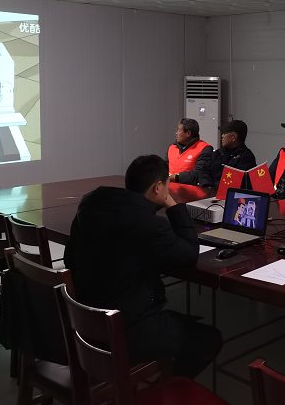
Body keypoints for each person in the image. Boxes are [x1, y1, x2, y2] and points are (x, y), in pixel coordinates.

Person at [64, 155, 222, 379]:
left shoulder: (90, 208)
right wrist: (174, 206)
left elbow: (69, 258)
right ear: (158, 187)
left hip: (86, 320)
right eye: (167, 185)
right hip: (127, 329)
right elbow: (188, 255)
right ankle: (168, 393)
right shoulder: (151, 226)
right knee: (207, 339)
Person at [196, 119, 256, 189]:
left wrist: (215, 189)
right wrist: (207, 185)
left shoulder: (246, 158)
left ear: (234, 137)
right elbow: (204, 170)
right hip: (209, 191)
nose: (222, 136)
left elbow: (235, 181)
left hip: (227, 194)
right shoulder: (219, 153)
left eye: (225, 133)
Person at [166, 118, 212, 185]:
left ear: (188, 133)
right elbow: (164, 168)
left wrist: (177, 178)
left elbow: (199, 173)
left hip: (190, 189)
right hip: (170, 188)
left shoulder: (205, 149)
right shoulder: (172, 147)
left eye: (179, 130)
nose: (176, 133)